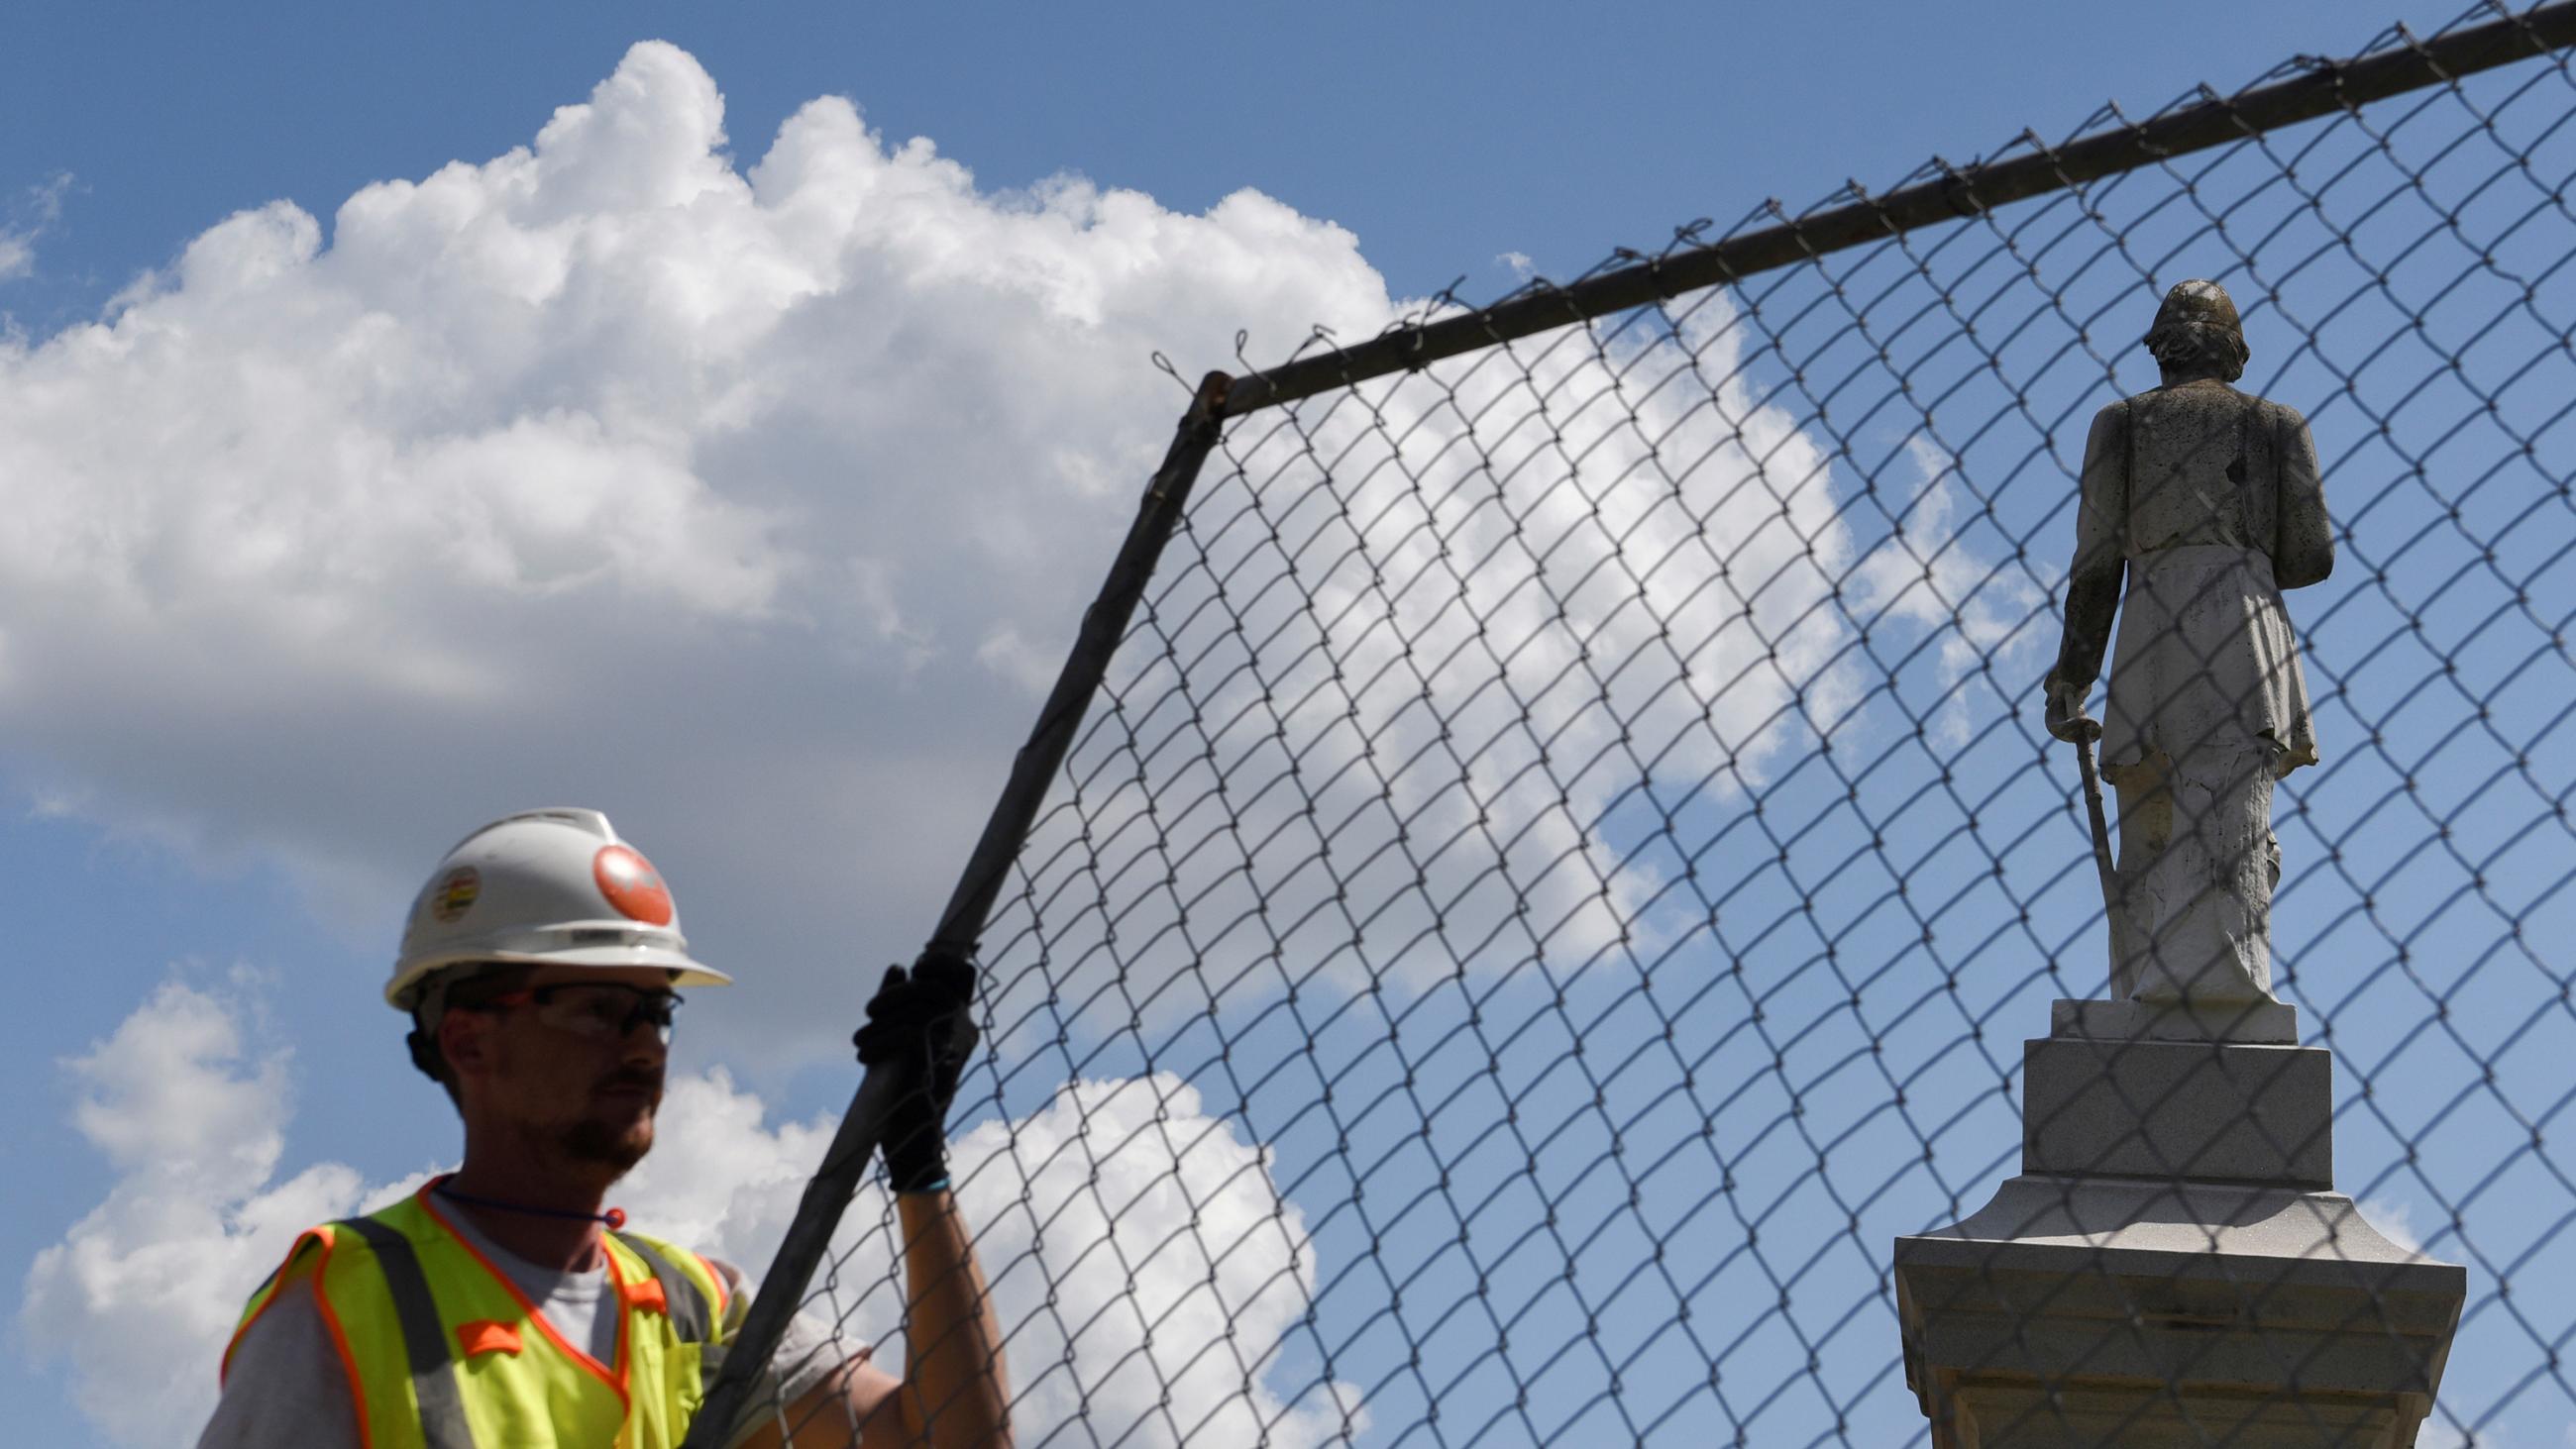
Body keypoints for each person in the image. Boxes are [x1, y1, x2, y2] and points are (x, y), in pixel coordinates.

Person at [198, 807, 1013, 1448]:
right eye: (597, 1010)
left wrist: (920, 1167)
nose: (641, 1047)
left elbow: (955, 1441)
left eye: (657, 1012)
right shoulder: (345, 1297)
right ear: (468, 1039)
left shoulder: (696, 1307)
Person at [2044, 279, 2334, 1006]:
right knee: (2238, 803)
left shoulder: (2121, 425)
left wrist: (2070, 675)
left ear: (2160, 351)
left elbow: (2096, 566)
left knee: (2150, 809)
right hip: (2244, 614)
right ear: (2234, 352)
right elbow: (2312, 556)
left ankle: (2147, 978)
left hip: (2153, 619)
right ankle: (2234, 971)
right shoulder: (2277, 424)